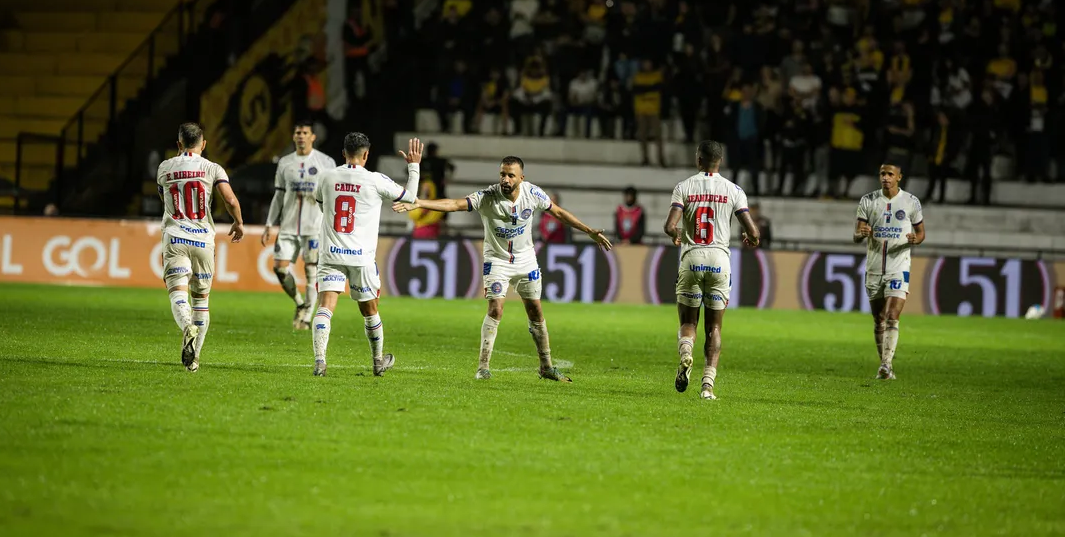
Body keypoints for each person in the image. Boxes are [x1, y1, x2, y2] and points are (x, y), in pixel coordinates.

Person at [393, 156, 612, 381]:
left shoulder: (533, 193)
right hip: (497, 260)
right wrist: (420, 203)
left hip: (526, 260)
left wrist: (587, 230)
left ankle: (546, 367)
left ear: (521, 178)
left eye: (510, 175)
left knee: (535, 310)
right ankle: (483, 367)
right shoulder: (488, 197)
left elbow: (557, 212)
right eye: (502, 174)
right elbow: (455, 204)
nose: (505, 179)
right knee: (496, 309)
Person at [311, 134, 423, 377]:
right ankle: (377, 361)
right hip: (361, 257)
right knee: (370, 310)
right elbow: (411, 198)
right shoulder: (375, 180)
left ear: (343, 153)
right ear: (366, 154)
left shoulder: (327, 176)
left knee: (326, 306)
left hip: (331, 253)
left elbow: (322, 205)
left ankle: (320, 361)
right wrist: (413, 167)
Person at [664, 140, 760, 400]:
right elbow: (754, 232)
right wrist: (751, 238)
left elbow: (670, 225)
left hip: (692, 257)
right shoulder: (734, 190)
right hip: (720, 260)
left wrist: (677, 233)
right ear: (720, 161)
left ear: (698, 160)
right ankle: (707, 386)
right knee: (714, 328)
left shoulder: (684, 187)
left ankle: (686, 354)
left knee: (688, 322)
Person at [156, 122, 244, 372]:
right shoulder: (212, 167)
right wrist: (238, 222)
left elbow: (164, 199)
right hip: (203, 240)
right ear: (203, 144)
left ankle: (186, 326)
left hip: (175, 237)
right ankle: (193, 361)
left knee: (177, 293)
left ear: (178, 144)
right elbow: (230, 199)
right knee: (201, 301)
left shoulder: (164, 167)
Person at [261, 120, 338, 330]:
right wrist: (269, 223)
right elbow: (278, 195)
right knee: (279, 268)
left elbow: (332, 195)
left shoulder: (326, 162)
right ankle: (299, 302)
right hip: (288, 226)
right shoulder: (285, 162)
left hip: (314, 226)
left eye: (305, 132)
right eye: (298, 133)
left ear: (313, 136)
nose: (301, 136)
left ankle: (306, 317)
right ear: (294, 137)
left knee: (312, 271)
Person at [853, 164, 925, 381]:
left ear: (899, 178)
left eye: (890, 174)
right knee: (879, 318)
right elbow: (856, 235)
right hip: (874, 268)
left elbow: (921, 233)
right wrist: (861, 233)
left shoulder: (911, 202)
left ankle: (885, 365)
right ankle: (886, 367)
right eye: (882, 174)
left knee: (892, 316)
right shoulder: (868, 200)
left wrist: (916, 239)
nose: (885, 178)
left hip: (898, 267)